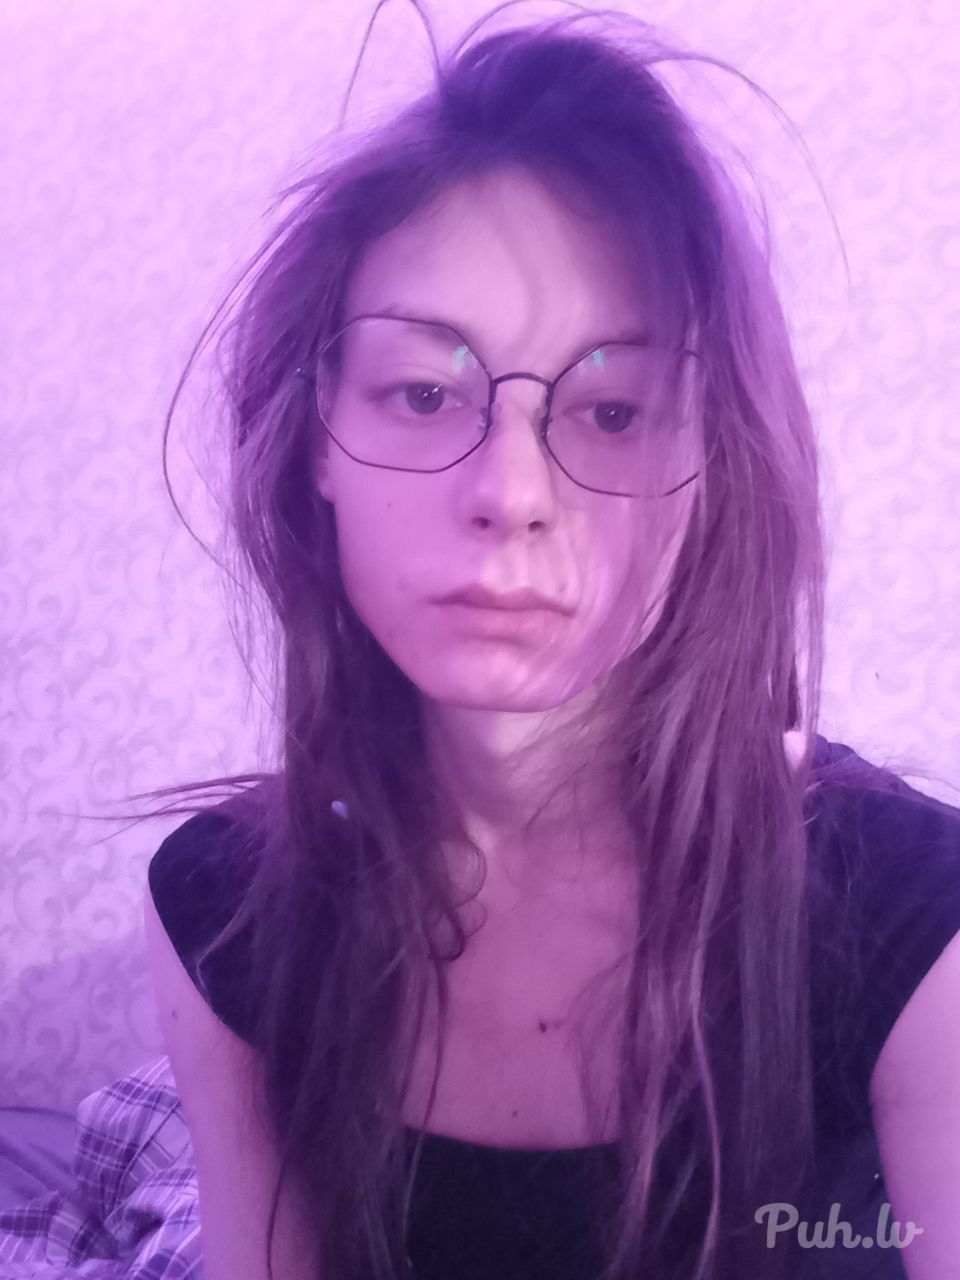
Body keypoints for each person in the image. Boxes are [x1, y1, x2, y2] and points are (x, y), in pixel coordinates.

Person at [137, 6, 960, 1279]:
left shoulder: (914, 926)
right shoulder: (221, 917)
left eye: (614, 410)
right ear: (316, 439)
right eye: (424, 392)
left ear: (713, 471)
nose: (511, 491)